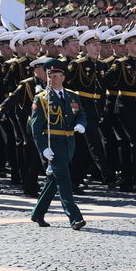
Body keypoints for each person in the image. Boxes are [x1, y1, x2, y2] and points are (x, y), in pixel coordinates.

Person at [29, 58, 87, 230]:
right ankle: (74, 217)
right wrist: (43, 148)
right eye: (49, 76)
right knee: (64, 180)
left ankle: (38, 213)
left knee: (53, 180)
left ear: (63, 77)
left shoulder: (72, 96)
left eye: (55, 76)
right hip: (52, 143)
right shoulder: (42, 98)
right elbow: (35, 126)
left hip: (69, 142)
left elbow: (81, 114)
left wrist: (81, 125)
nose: (51, 79)